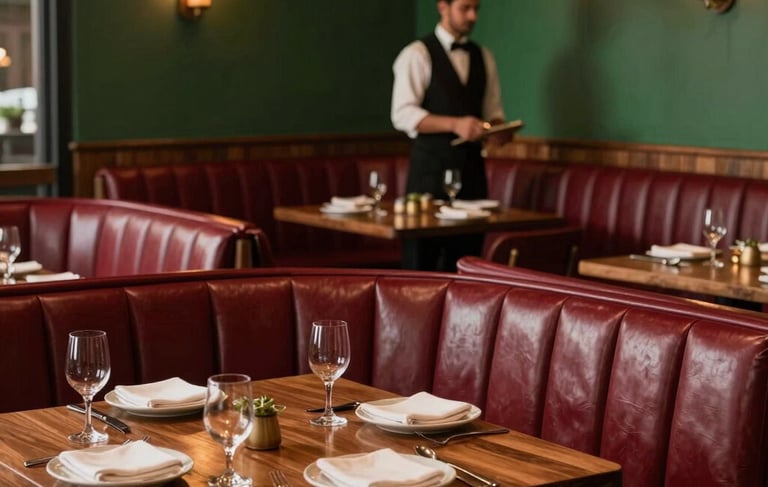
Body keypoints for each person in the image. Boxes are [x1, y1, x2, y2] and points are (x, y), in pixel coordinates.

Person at [391, 0, 509, 271]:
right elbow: (402, 114)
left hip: (472, 177)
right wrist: (456, 124)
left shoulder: (484, 57)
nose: (472, 16)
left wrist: (498, 131)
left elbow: (493, 111)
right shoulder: (417, 54)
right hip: (428, 177)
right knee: (422, 267)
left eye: (476, 9)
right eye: (465, 8)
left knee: (467, 266)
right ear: (442, 6)